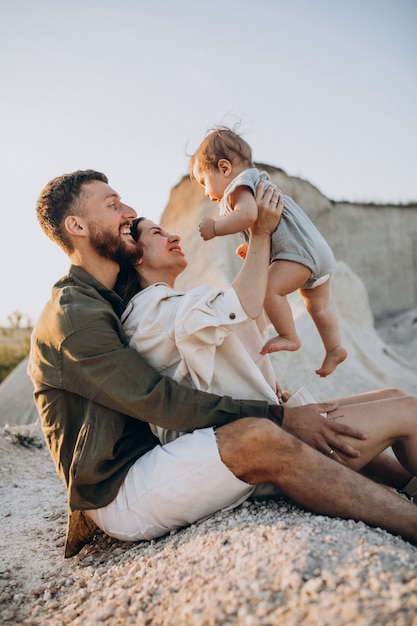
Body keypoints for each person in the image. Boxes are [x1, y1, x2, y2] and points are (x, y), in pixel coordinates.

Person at [28, 169, 417, 560]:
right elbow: (156, 397)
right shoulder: (75, 315)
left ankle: (404, 483)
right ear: (76, 225)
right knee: (258, 435)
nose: (127, 212)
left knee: (378, 413)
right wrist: (277, 415)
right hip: (120, 487)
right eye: (112, 205)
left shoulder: (111, 301)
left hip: (158, 459)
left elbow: (186, 369)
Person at [117, 216, 417, 496]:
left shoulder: (172, 307)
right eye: (157, 233)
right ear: (136, 254)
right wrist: (261, 235)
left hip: (264, 424)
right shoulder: (150, 312)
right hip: (254, 447)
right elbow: (240, 305)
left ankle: (410, 485)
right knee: (408, 411)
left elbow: (245, 329)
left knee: (394, 395)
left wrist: (260, 263)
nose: (173, 235)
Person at [189, 126, 347, 377]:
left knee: (268, 289)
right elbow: (273, 227)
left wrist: (215, 228)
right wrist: (252, 246)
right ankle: (334, 348)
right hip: (318, 251)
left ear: (224, 168)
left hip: (298, 255)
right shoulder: (259, 180)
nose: (207, 193)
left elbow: (249, 215)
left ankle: (289, 335)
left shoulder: (238, 187)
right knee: (319, 307)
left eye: (204, 183)